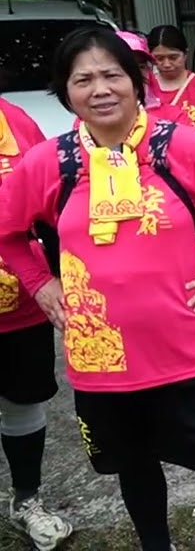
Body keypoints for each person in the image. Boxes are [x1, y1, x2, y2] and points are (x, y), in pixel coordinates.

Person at [0, 26, 195, 551]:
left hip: (186, 351)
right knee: (134, 467)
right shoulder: (52, 161)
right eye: (83, 79)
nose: (100, 89)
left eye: (113, 74)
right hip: (102, 362)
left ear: (138, 82)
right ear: (66, 91)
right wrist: (41, 284)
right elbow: (8, 230)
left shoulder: (176, 144)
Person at [0, 97, 71, 551]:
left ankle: (26, 499)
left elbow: (51, 201)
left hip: (20, 305)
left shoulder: (14, 121)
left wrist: (59, 274)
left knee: (22, 403)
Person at [145, 24, 195, 130]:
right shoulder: (146, 87)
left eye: (173, 57)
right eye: (159, 58)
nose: (166, 64)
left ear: (185, 54)